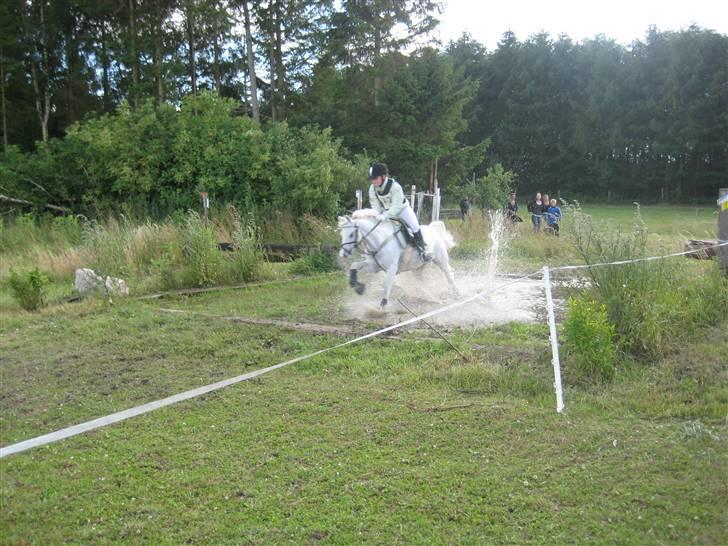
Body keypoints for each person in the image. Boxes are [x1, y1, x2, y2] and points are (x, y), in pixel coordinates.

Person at [368, 163, 431, 262]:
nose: (373, 181)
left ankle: (423, 251)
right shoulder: (372, 189)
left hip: (402, 210)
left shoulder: (395, 187)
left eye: (375, 178)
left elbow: (397, 206)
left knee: (414, 226)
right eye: (372, 179)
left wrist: (384, 215)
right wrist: (377, 214)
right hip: (386, 212)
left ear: (383, 177)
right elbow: (375, 205)